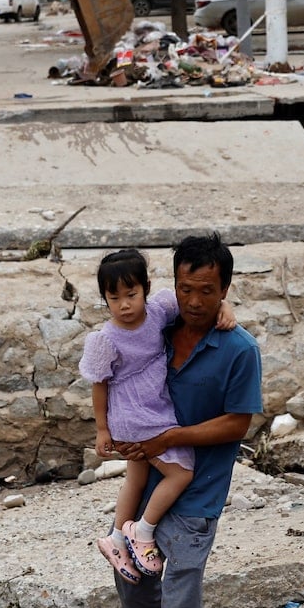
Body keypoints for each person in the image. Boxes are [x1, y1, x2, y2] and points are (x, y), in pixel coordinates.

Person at [110, 233, 262, 608]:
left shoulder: (239, 348)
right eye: (187, 289)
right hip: (145, 483)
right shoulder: (158, 324)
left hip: (195, 496)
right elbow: (116, 345)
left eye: (209, 291)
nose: (197, 301)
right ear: (173, 288)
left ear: (225, 289)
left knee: (181, 606)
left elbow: (237, 423)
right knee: (132, 586)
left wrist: (173, 434)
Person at [80, 249, 204, 582]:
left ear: (146, 288)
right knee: (181, 472)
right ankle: (143, 530)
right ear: (104, 298)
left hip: (152, 405)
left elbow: (195, 304)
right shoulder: (106, 339)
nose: (124, 305)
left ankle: (117, 538)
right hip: (134, 416)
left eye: (131, 294)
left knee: (135, 479)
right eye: (114, 297)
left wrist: (226, 308)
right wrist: (102, 430)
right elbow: (99, 386)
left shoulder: (159, 311)